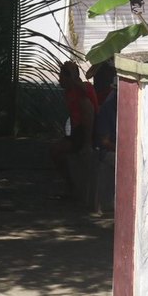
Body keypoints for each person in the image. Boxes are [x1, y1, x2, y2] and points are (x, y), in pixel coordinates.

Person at [49, 61, 99, 198]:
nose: (59, 79)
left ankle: (72, 187)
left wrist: (87, 143)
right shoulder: (68, 93)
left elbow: (88, 112)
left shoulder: (84, 89)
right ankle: (70, 185)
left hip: (90, 131)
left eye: (62, 76)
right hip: (77, 131)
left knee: (57, 151)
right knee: (56, 151)